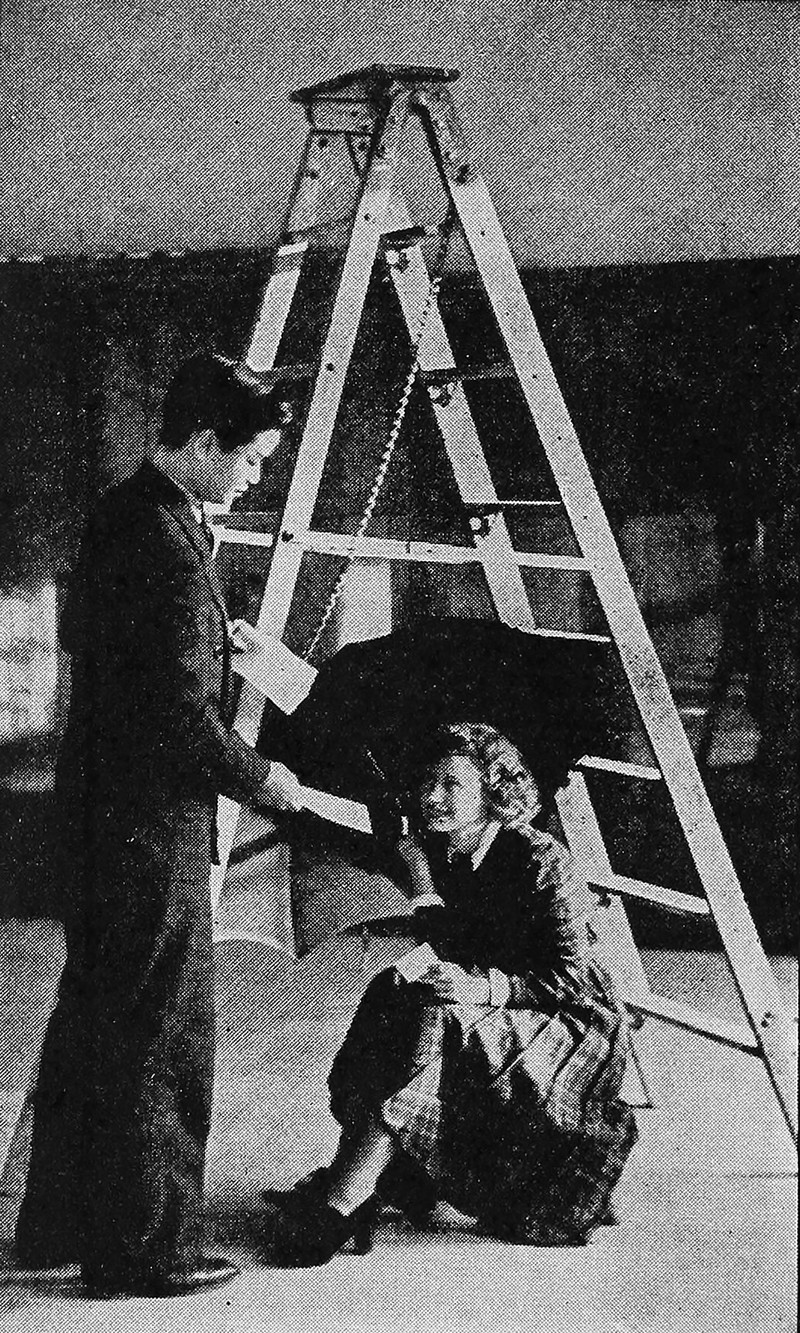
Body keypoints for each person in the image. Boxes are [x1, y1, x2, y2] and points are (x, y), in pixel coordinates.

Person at [14, 352, 303, 1297]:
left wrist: (226, 647)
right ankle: (145, 1248)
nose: (255, 477)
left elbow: (140, 668)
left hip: (98, 817)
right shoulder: (167, 544)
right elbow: (178, 715)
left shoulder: (127, 512)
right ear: (208, 442)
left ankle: (56, 1224)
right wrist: (264, 779)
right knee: (161, 1032)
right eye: (251, 459)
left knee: (95, 1014)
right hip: (148, 827)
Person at [271, 722, 638, 1264]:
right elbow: (463, 934)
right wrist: (427, 930)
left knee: (437, 1016)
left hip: (570, 1030)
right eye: (429, 784)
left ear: (494, 795)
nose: (433, 798)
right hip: (500, 1008)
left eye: (452, 786)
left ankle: (346, 1201)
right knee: (393, 992)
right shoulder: (449, 853)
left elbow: (576, 977)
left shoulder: (543, 860)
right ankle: (361, 1175)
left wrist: (480, 986)